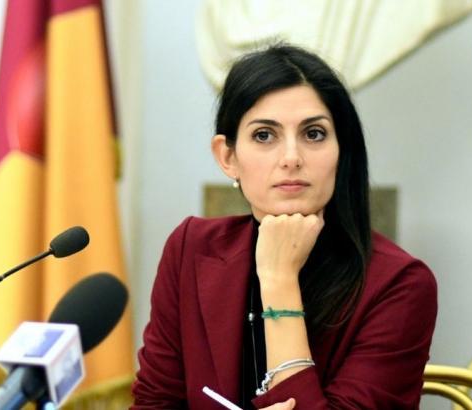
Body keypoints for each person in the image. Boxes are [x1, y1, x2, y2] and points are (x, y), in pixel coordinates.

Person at [131, 44, 437, 409]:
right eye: (264, 135)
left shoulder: (400, 285)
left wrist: (279, 280)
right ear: (228, 157)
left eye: (314, 134)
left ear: (343, 151)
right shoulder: (191, 249)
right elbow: (154, 403)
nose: (291, 158)